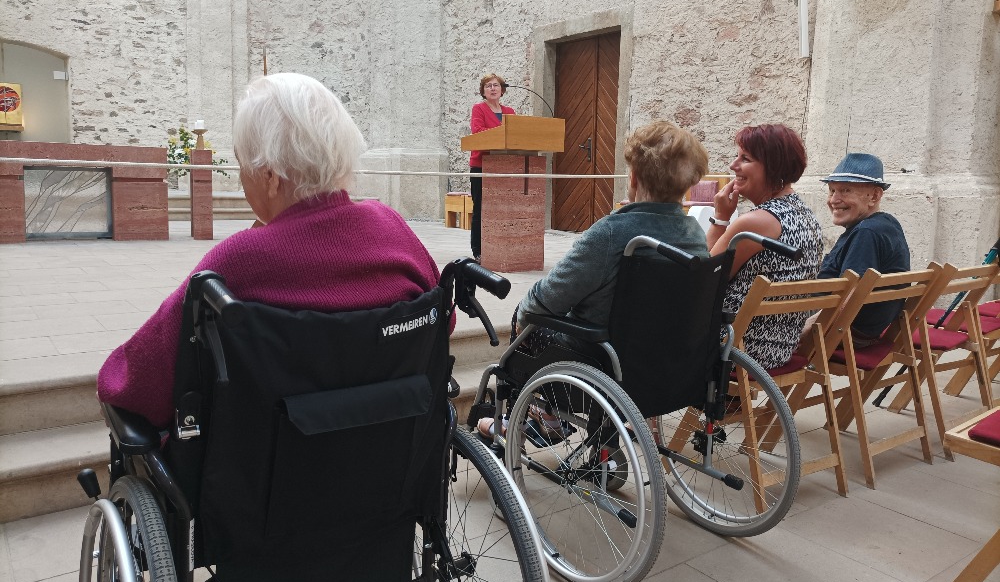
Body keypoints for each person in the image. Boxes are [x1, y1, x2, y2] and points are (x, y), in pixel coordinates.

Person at [97, 73, 443, 428]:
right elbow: (439, 327)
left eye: (242, 165)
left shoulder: (238, 261)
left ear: (270, 176)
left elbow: (131, 386)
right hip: (396, 448)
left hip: (268, 456)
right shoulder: (393, 228)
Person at [478, 120, 710, 437]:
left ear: (634, 177)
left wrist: (526, 312)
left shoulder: (612, 234)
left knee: (527, 313)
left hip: (601, 363)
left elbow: (546, 300)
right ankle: (554, 418)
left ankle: (529, 419)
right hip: (667, 366)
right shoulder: (694, 235)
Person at [707, 123, 823, 370]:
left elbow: (705, 281)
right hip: (779, 349)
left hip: (735, 348)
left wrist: (720, 218)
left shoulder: (756, 222)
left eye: (745, 159)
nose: (733, 165)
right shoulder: (806, 216)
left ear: (772, 166)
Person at [816, 152, 910, 344]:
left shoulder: (866, 232)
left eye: (845, 190)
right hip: (856, 332)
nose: (834, 200)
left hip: (839, 335)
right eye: (832, 191)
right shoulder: (886, 224)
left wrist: (802, 330)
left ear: (874, 196)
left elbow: (848, 299)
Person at [468, 74, 516, 262]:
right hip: (481, 165)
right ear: (483, 91)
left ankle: (502, 247)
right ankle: (478, 250)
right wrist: (502, 134)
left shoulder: (510, 111)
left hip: (504, 166)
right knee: (481, 208)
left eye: (496, 85)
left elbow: (516, 135)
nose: (493, 88)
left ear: (502, 90)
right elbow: (478, 132)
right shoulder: (478, 109)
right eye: (488, 86)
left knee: (503, 209)